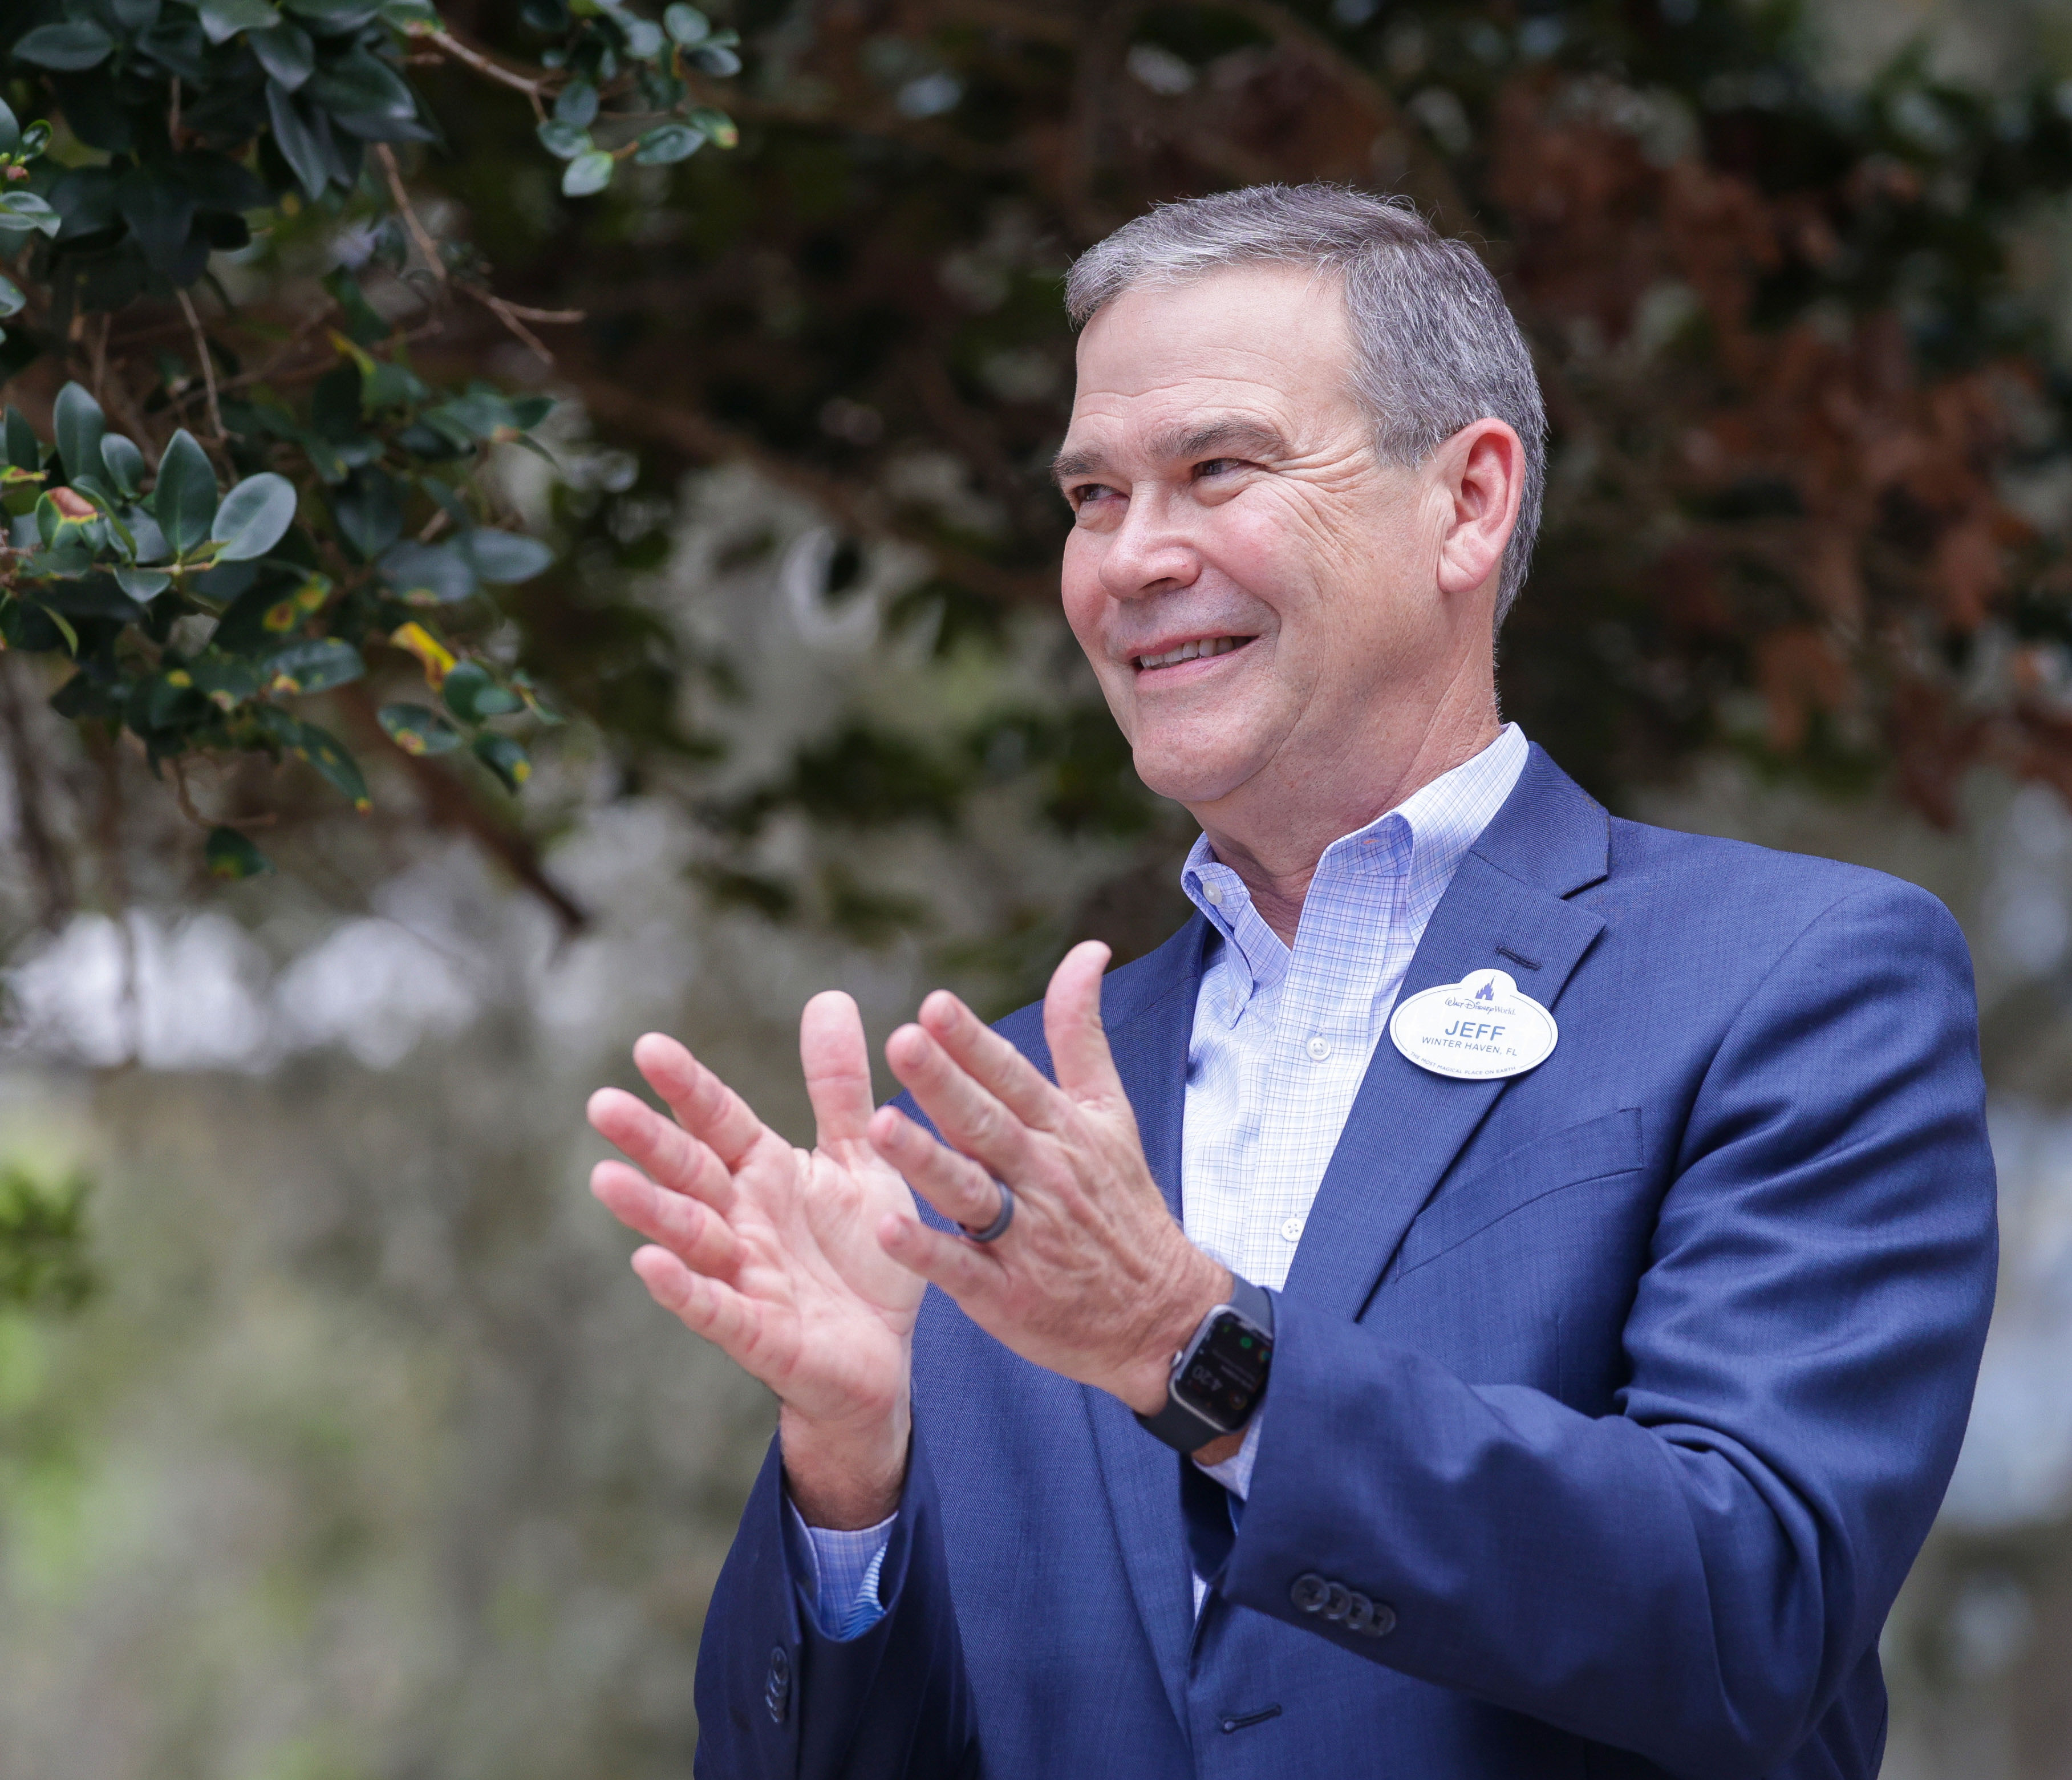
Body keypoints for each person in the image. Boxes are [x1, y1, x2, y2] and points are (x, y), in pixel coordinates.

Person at [585, 184, 1998, 1779]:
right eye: (1091, 494)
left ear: (1465, 501)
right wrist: (853, 1475)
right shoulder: (1000, 1117)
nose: (1129, 560)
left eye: (1215, 470)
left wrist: (1195, 1349)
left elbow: (1752, 1614)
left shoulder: (1791, 980)